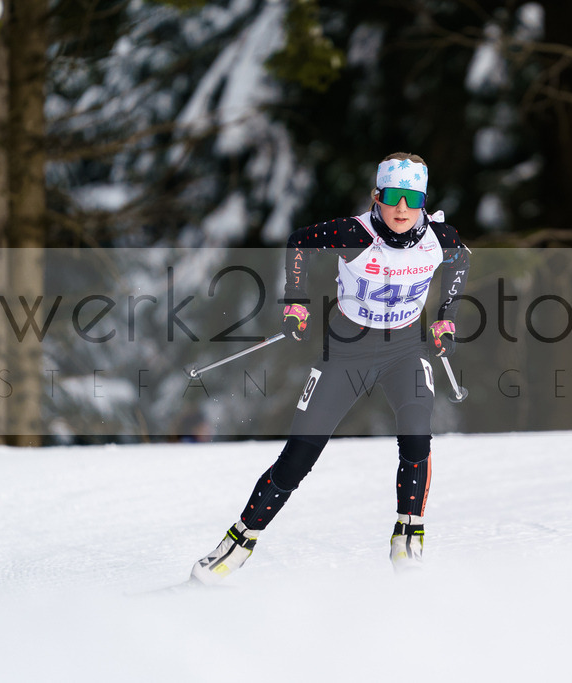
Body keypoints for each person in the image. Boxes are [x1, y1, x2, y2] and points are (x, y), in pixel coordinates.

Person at [191, 152, 470, 581]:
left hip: (405, 351)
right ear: (377, 196)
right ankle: (237, 543)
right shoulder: (353, 234)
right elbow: (300, 242)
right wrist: (296, 301)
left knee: (417, 437)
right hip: (348, 350)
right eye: (393, 195)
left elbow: (460, 260)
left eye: (412, 199)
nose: (401, 208)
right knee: (298, 457)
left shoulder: (438, 238)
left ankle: (407, 538)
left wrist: (446, 314)